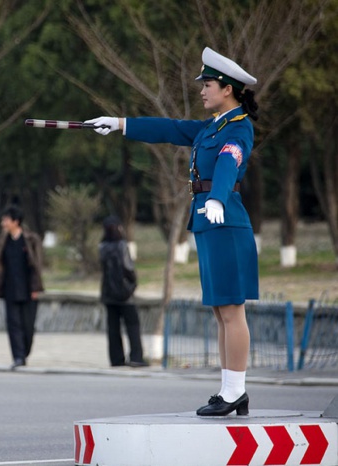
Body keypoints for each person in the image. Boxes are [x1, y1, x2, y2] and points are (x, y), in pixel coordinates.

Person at [85, 47, 259, 416]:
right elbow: (168, 128)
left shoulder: (239, 127)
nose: (201, 90)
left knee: (232, 310)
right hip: (209, 222)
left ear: (227, 89)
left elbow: (230, 160)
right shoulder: (212, 126)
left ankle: (236, 391)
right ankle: (230, 389)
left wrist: (217, 196)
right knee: (220, 311)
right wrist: (118, 123)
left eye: (207, 84)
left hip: (225, 221)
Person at [0, 205, 45, 369]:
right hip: (9, 289)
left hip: (28, 289)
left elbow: (37, 266)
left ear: (16, 222)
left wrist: (35, 288)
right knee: (13, 325)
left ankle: (24, 351)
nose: (3, 223)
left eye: (6, 220)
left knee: (28, 326)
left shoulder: (31, 240)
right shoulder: (2, 241)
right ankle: (18, 357)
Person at [99, 215, 147, 368]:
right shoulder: (122, 245)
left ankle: (116, 359)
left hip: (108, 293)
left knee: (113, 328)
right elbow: (128, 268)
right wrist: (133, 283)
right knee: (132, 325)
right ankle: (136, 357)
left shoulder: (102, 247)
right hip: (125, 294)